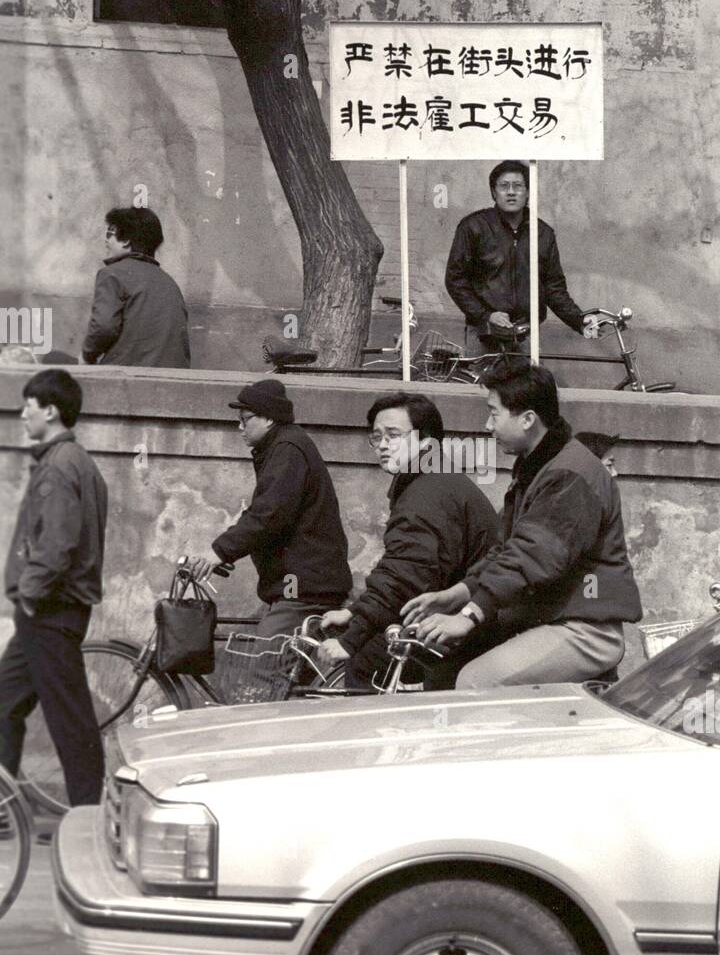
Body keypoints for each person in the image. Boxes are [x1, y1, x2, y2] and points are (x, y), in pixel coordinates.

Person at [403, 362, 643, 688]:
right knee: (441, 668)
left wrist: (468, 615)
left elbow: (532, 557)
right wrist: (455, 595)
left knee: (475, 682)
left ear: (528, 419)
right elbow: (504, 551)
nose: (488, 425)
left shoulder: (569, 474)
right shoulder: (538, 466)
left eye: (494, 413)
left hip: (585, 627)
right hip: (549, 617)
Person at [315, 392, 499, 687]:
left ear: (426, 442)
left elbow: (405, 575)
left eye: (394, 435)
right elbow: (401, 568)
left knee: (367, 665)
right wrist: (354, 612)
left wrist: (351, 639)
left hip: (473, 625)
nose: (383, 445)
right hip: (463, 614)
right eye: (376, 437)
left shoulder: (427, 493)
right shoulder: (432, 479)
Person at [0, 370, 107, 806]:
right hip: (46, 611)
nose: (23, 412)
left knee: (70, 720)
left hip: (49, 611)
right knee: (3, 703)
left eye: (30, 404)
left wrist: (28, 594)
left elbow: (56, 546)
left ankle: (86, 816)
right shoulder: (71, 462)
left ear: (52, 410)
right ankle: (5, 808)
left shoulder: (61, 467)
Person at [188, 380, 351, 637]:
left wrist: (218, 552)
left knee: (265, 669)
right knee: (285, 671)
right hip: (301, 586)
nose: (239, 427)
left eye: (245, 419)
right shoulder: (281, 447)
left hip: (303, 591)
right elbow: (265, 510)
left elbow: (268, 514)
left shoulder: (288, 449)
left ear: (269, 419)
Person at [444, 160, 595, 358]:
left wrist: (578, 320)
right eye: (504, 186)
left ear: (528, 193)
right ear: (493, 192)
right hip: (484, 334)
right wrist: (486, 315)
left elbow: (553, 288)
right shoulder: (473, 227)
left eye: (518, 186)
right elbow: (455, 279)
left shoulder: (542, 233)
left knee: (527, 388)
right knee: (481, 388)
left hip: (526, 334)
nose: (511, 192)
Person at [82, 206, 190, 368]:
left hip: (129, 380)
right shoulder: (169, 283)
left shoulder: (112, 274)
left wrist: (86, 356)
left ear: (126, 240)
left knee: (54, 359)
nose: (106, 241)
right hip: (173, 381)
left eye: (109, 234)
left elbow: (103, 328)